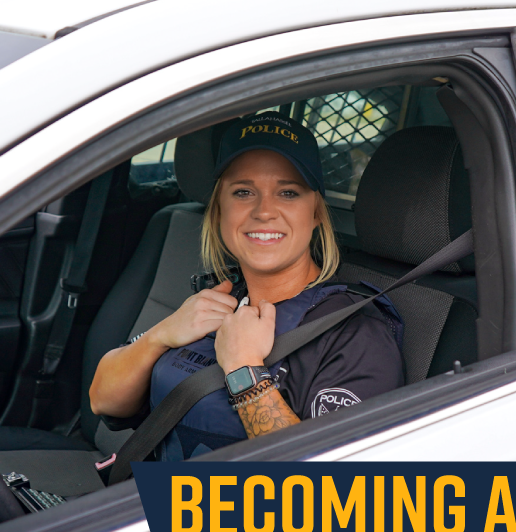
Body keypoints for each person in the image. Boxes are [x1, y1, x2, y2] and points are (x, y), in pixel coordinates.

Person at [89, 112, 404, 461]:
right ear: (219, 212)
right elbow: (103, 399)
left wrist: (244, 368)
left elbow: (331, 500)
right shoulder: (216, 300)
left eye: (287, 192)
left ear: (315, 213)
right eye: (243, 192)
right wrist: (160, 335)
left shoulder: (355, 333)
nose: (264, 211)